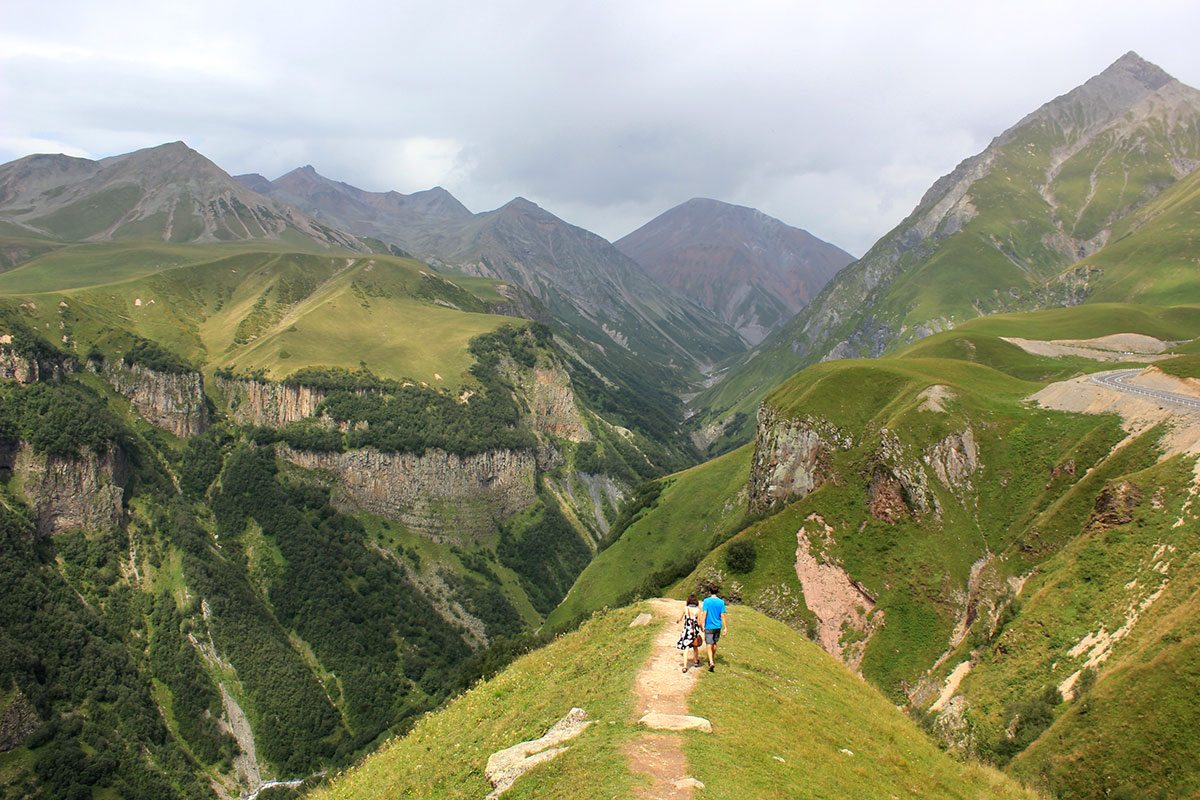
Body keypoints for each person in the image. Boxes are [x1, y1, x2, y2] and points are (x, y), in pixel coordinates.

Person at [699, 588, 727, 672]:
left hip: (709, 625)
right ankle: (712, 659)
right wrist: (725, 627)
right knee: (714, 643)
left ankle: (711, 661)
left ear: (710, 592)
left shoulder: (706, 601)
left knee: (708, 643)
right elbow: (723, 615)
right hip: (717, 626)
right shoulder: (721, 602)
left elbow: (704, 613)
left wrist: (701, 624)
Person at [675, 595, 702, 672]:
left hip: (687, 631)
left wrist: (677, 621)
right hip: (694, 631)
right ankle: (696, 661)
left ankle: (685, 666)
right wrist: (702, 627)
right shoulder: (698, 610)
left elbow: (679, 618)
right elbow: (698, 622)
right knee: (695, 646)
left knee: (686, 648)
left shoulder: (685, 609)